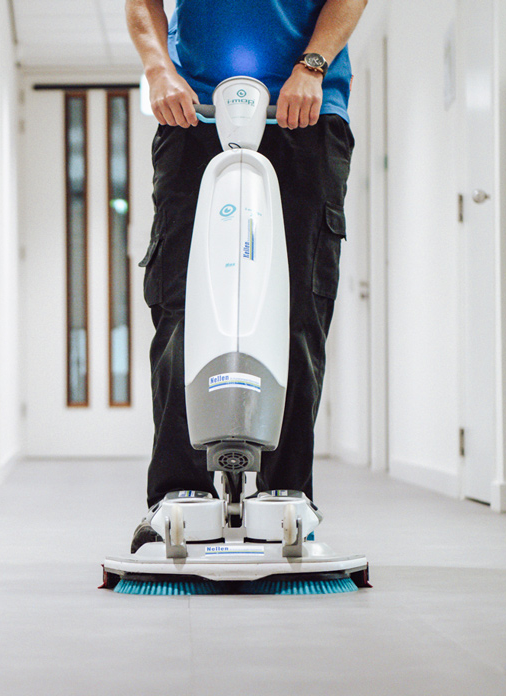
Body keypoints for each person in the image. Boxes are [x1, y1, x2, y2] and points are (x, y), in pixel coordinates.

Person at [124, 0, 367, 549]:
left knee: (299, 306)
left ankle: (286, 497)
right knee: (181, 303)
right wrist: (159, 69)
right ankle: (179, 494)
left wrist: (313, 65)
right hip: (195, 115)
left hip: (304, 110)